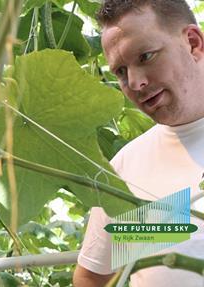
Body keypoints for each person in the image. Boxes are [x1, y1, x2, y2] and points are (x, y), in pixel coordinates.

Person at [73, 1, 204, 286]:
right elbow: (92, 277)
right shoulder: (125, 166)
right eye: (120, 71)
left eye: (145, 56)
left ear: (193, 43)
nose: (135, 83)